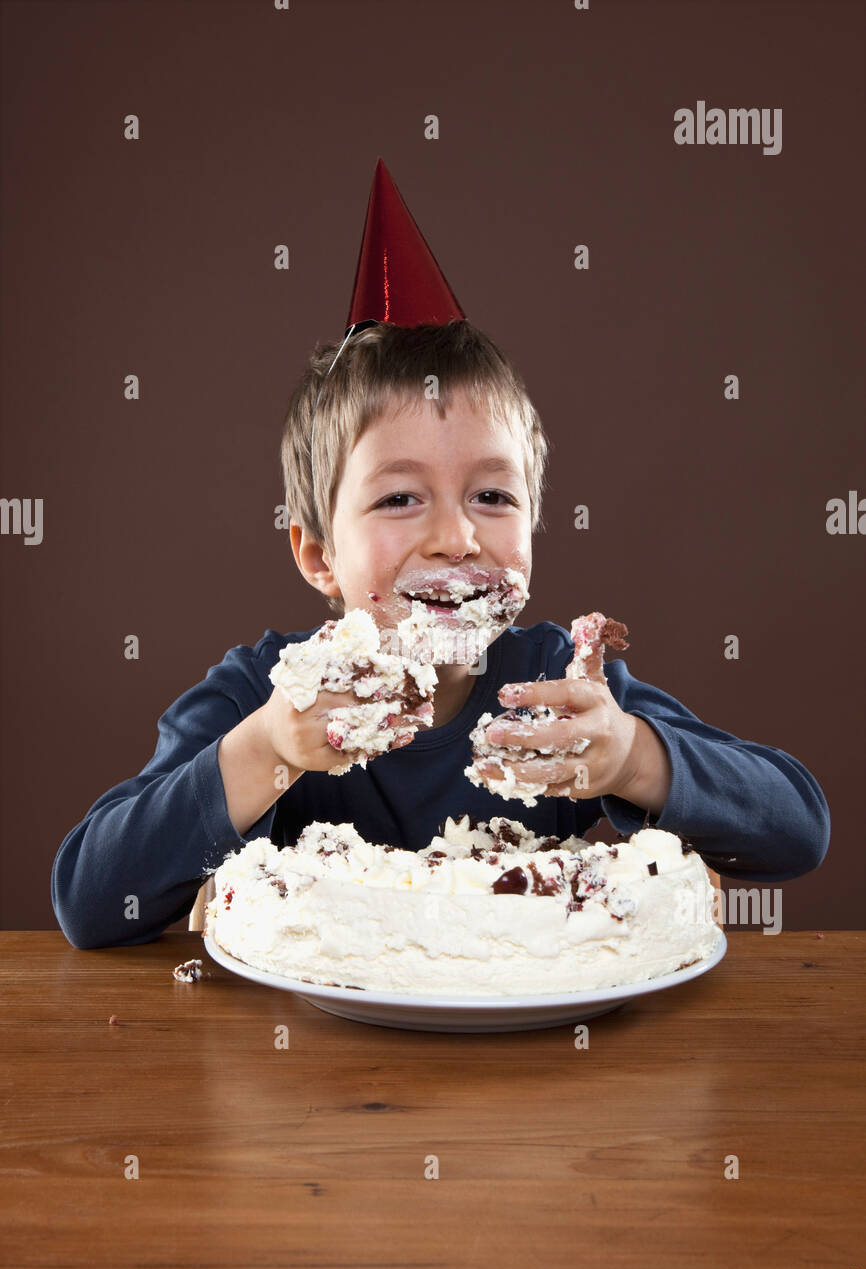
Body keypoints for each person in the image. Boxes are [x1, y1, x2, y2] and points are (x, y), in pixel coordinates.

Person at [51, 166, 830, 950]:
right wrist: (266, 753)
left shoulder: (555, 685)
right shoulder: (264, 694)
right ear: (318, 554)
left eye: (493, 497)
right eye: (400, 499)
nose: (457, 538)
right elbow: (88, 900)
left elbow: (798, 827)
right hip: (308, 1059)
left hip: (534, 1051)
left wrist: (631, 758)